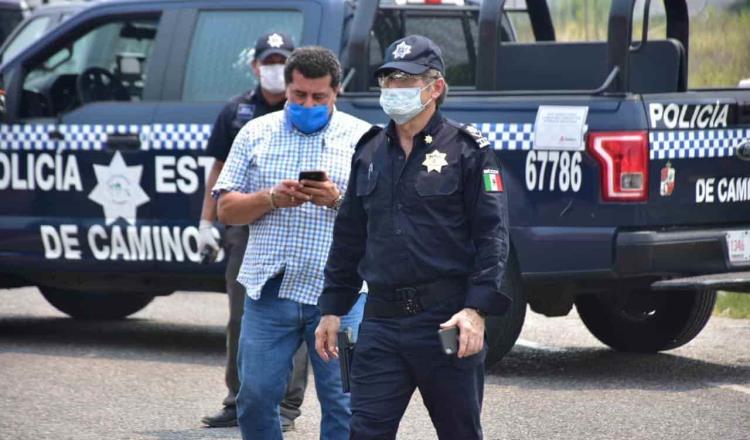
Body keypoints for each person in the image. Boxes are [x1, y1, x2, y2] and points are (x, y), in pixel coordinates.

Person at [315, 35, 511, 440]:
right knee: (365, 431)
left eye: (405, 80)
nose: (393, 89)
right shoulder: (369, 151)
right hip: (382, 320)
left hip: (445, 319)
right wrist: (332, 308)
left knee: (459, 431)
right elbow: (349, 234)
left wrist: (477, 309)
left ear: (434, 87)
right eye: (387, 79)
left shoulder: (467, 150)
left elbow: (492, 235)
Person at [213, 46, 371, 440]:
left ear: (337, 92)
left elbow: (385, 219)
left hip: (341, 297)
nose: (308, 103)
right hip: (270, 291)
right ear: (286, 89)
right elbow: (226, 208)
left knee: (345, 402)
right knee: (254, 398)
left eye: (319, 97)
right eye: (299, 95)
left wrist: (336, 200)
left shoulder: (364, 139)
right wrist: (269, 198)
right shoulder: (256, 133)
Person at [197, 32, 308, 431]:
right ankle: (239, 399)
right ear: (255, 65)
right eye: (269, 60)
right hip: (247, 225)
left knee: (296, 316)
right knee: (242, 318)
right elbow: (219, 170)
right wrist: (207, 221)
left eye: (282, 60)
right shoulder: (238, 110)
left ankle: (286, 406)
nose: (275, 68)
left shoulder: (307, 106)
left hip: (298, 225)